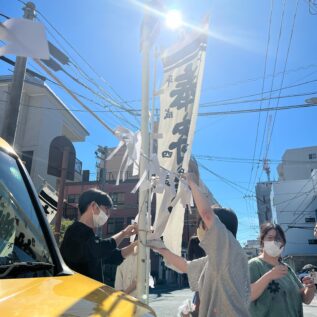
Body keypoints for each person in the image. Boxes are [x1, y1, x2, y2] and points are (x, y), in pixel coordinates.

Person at [150, 166, 251, 317]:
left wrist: (192, 183)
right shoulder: (215, 259)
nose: (199, 228)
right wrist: (158, 247)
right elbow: (185, 266)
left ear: (220, 228)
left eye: (201, 224)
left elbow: (207, 214)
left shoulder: (230, 248)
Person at [60, 188, 137, 283]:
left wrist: (135, 246)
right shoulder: (75, 231)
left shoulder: (89, 236)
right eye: (107, 209)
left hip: (86, 294)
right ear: (94, 206)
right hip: (75, 293)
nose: (108, 215)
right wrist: (124, 233)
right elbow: (101, 248)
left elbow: (114, 256)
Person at [248, 222, 316, 317]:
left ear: (283, 243)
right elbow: (247, 295)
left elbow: (306, 299)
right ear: (262, 241)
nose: (274, 242)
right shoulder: (254, 265)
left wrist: (310, 287)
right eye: (270, 238)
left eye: (278, 239)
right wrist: (269, 276)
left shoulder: (287, 268)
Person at [187, 221, 206, 317]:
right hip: (210, 269)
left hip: (199, 270)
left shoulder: (193, 240)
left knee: (198, 297)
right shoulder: (213, 238)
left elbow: (189, 258)